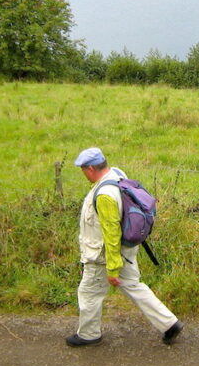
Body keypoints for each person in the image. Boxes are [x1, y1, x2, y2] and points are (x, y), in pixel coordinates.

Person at [66, 147, 183, 347]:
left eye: (83, 169)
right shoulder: (117, 174)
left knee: (89, 293)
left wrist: (112, 268)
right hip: (126, 251)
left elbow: (111, 233)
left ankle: (88, 334)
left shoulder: (104, 195)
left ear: (91, 168)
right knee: (133, 285)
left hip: (103, 255)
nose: (83, 173)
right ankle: (169, 323)